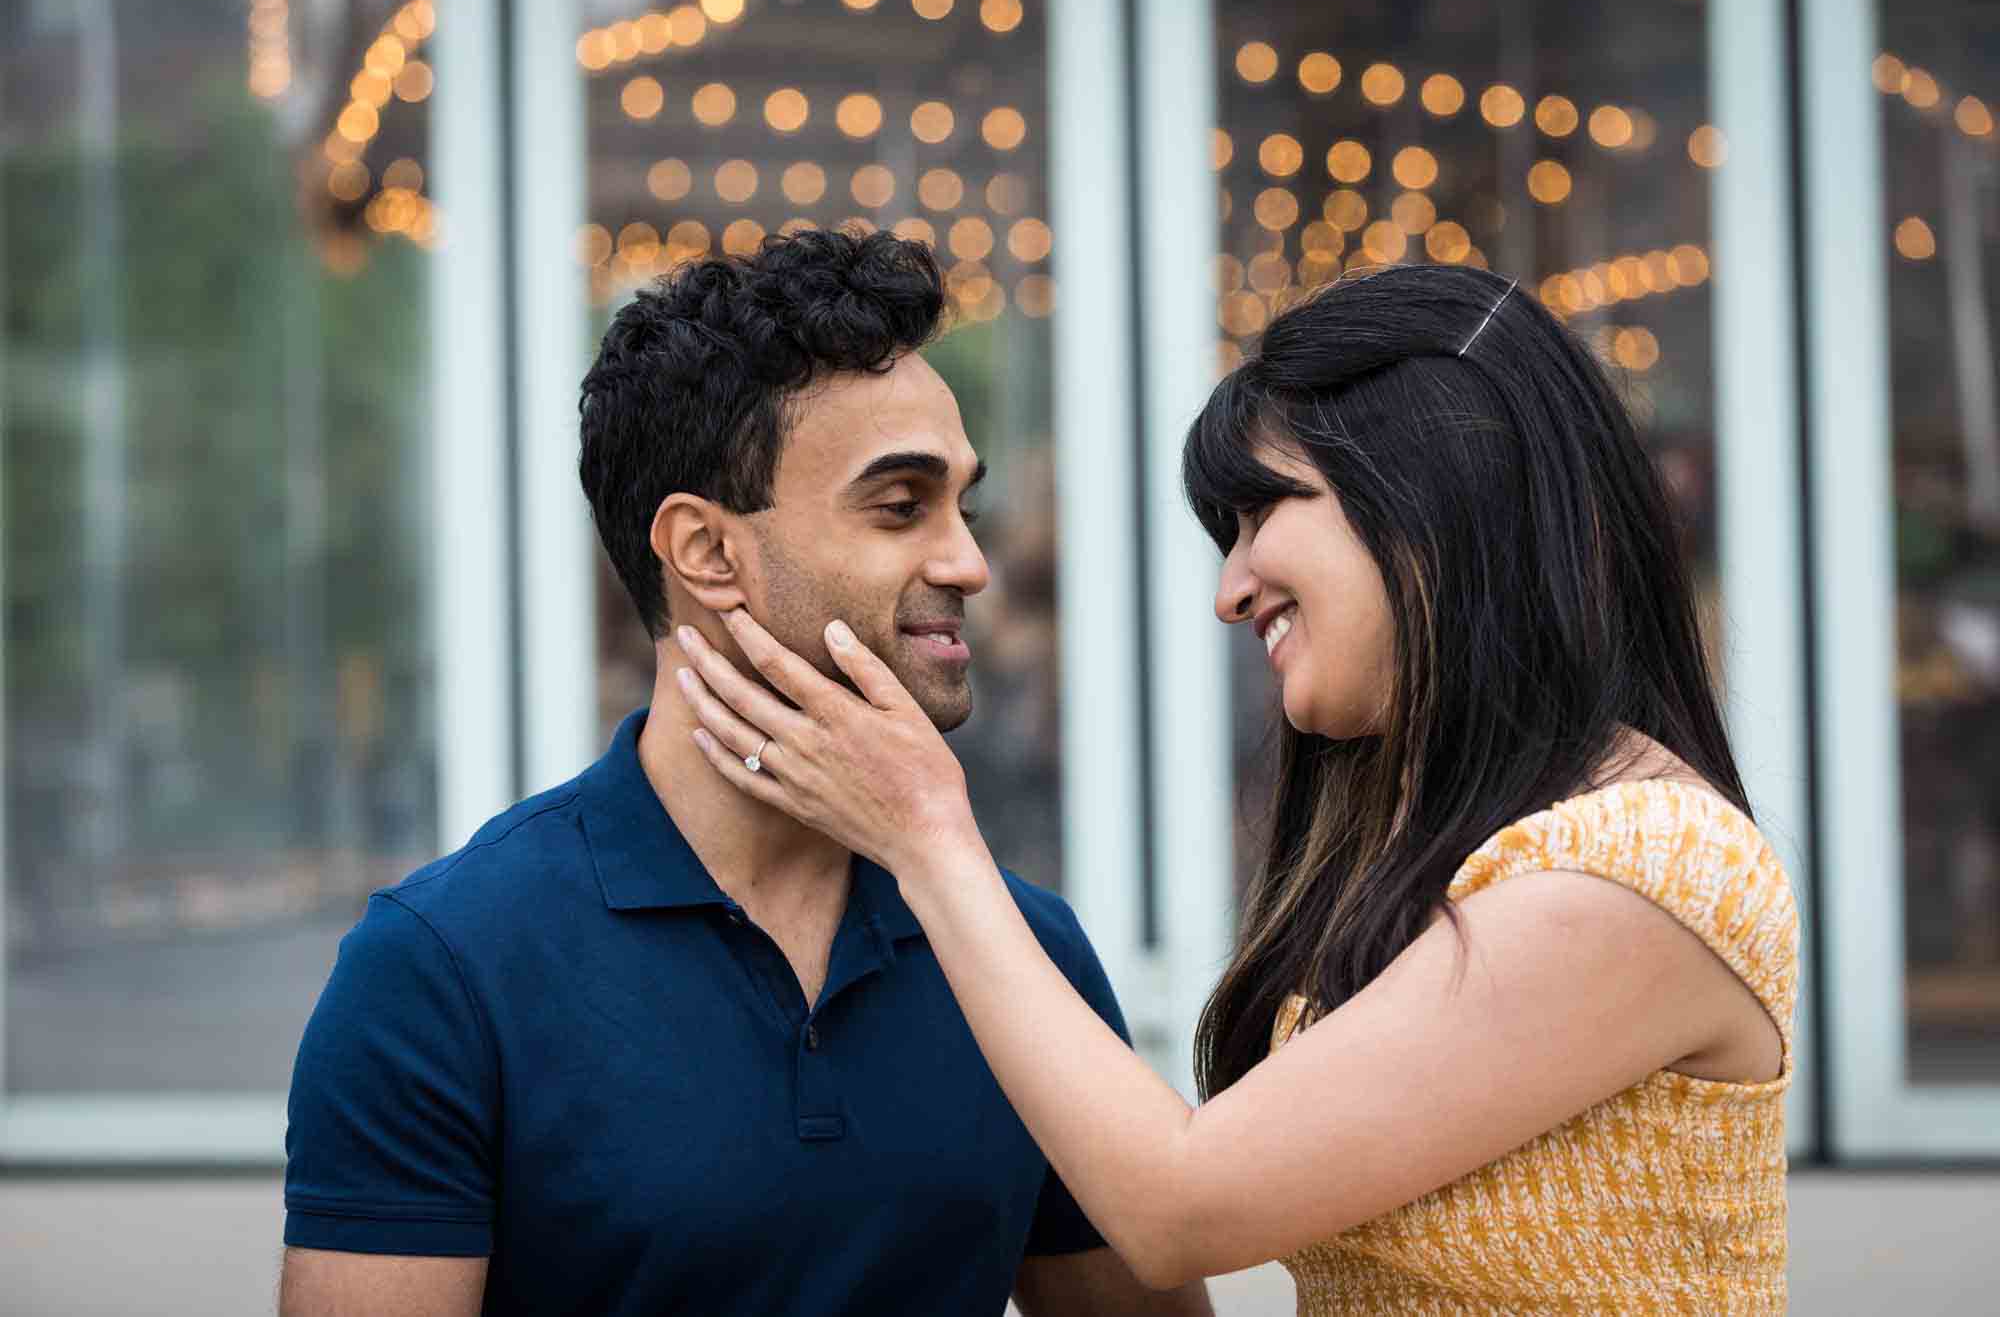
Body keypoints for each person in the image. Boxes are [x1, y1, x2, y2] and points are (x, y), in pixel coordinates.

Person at [675, 265, 1800, 1314]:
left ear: (1436, 497)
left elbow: (1177, 1211)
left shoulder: (1640, 869)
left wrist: (928, 835)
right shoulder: (1469, 839)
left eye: (1266, 512)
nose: (1231, 586)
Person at [278, 229, 1213, 1317]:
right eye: (901, 505)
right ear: (706, 553)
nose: (968, 561)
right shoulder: (441, 969)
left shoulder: (1021, 947)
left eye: (964, 502)